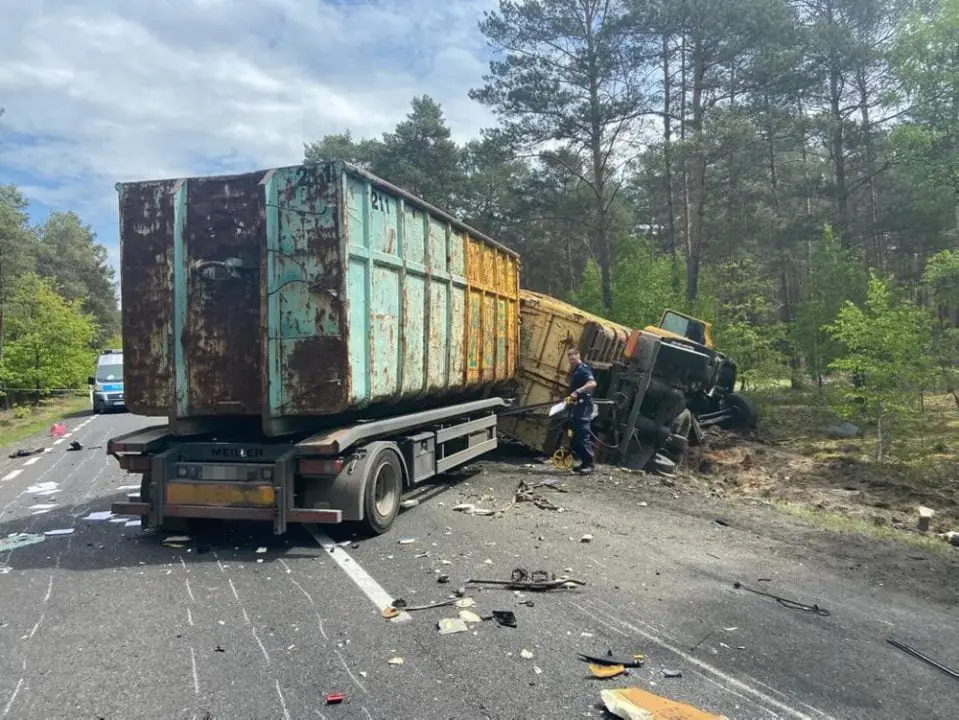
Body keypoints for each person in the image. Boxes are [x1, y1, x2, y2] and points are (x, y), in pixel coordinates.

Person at [565, 347, 597, 474]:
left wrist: (578, 391)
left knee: (583, 435)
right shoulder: (576, 370)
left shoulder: (583, 369)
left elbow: (592, 383)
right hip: (577, 407)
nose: (572, 361)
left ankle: (590, 465)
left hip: (584, 407)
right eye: (570, 360)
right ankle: (583, 463)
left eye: (573, 359)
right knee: (575, 436)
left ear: (578, 356)